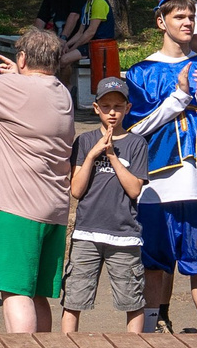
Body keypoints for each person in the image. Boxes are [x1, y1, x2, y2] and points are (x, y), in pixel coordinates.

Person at [0, 29, 78, 333]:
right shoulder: (61, 92)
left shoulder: (15, 88)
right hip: (52, 209)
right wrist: (15, 77)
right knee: (37, 294)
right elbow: (26, 93)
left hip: (13, 206)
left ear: (22, 58)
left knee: (14, 291)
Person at [126, 0, 197, 334]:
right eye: (179, 17)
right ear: (161, 21)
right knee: (154, 265)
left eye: (191, 17)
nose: (187, 22)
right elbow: (134, 130)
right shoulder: (140, 73)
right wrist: (178, 95)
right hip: (155, 186)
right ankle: (150, 335)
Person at [63, 77, 148, 334]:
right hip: (87, 231)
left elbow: (134, 189)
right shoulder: (85, 141)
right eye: (106, 105)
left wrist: (112, 155)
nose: (112, 112)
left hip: (124, 235)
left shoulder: (136, 143)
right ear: (96, 108)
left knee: (132, 299)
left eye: (118, 106)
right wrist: (92, 155)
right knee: (73, 298)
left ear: (128, 108)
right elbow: (76, 190)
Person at [76, 0, 118, 87]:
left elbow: (90, 32)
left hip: (100, 46)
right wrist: (66, 44)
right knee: (62, 57)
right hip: (91, 44)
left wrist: (73, 48)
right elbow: (80, 32)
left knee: (64, 60)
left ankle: (68, 89)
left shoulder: (99, 2)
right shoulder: (87, 4)